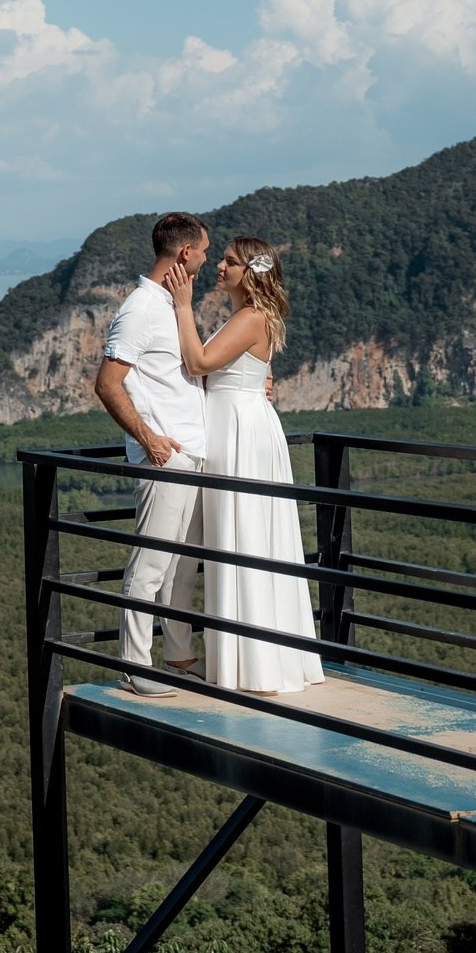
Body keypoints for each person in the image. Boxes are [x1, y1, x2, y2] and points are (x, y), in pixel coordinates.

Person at [167, 236, 323, 694]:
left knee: (243, 536)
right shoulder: (245, 317)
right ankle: (243, 655)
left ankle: (247, 661)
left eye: (230, 262)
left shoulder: (252, 317)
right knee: (241, 534)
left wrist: (182, 305)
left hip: (238, 432)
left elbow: (198, 363)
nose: (220, 266)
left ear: (250, 272)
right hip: (239, 426)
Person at [94, 212, 212, 697]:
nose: (206, 259)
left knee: (182, 566)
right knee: (150, 565)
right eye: (204, 251)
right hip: (164, 460)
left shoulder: (172, 305)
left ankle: (180, 657)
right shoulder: (142, 307)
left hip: (191, 455)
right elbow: (106, 382)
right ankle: (135, 667)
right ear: (186, 253)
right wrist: (147, 438)